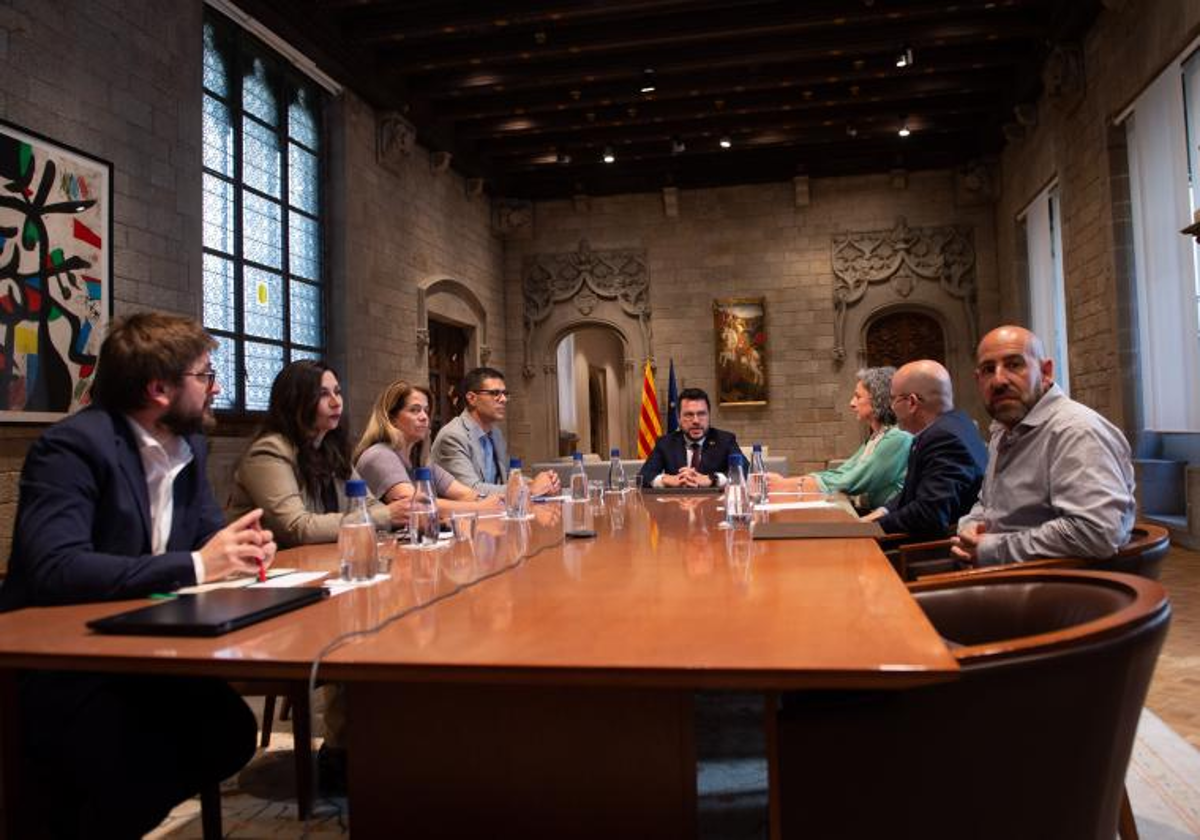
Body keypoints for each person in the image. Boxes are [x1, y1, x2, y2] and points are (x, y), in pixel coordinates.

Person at [0, 311, 274, 836]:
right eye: (205, 376)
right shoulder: (73, 447)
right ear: (159, 389)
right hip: (61, 659)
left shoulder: (189, 445)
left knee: (230, 731)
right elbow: (56, 567)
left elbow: (208, 539)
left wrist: (243, 548)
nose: (215, 389)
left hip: (144, 644)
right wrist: (200, 564)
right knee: (130, 757)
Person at [952, 325, 1135, 565]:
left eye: (1014, 364)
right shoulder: (1004, 430)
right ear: (978, 380)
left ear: (1046, 372)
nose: (998, 380)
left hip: (1058, 591)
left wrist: (992, 548)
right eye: (988, 369)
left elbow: (1096, 532)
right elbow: (988, 504)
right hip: (1005, 578)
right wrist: (970, 526)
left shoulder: (1075, 431)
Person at [226, 359, 408, 547]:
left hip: (314, 562)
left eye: (337, 392)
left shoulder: (331, 449)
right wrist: (388, 515)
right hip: (267, 568)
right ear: (295, 401)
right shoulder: (269, 452)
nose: (335, 402)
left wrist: (396, 513)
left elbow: (367, 505)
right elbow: (297, 528)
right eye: (323, 394)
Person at [863, 360, 987, 538]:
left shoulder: (942, 438)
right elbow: (913, 494)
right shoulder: (955, 424)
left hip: (931, 551)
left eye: (893, 399)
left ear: (912, 402)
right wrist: (883, 511)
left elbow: (929, 515)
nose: (891, 407)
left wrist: (870, 528)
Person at [355, 378, 505, 515]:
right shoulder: (379, 455)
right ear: (391, 418)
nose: (424, 417)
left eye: (426, 410)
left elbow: (464, 494)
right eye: (414, 410)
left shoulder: (419, 460)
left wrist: (499, 499)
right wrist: (482, 507)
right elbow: (417, 506)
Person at [768, 367, 911, 509]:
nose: (852, 403)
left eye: (858, 397)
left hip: (888, 525)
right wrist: (795, 483)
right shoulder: (877, 436)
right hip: (868, 514)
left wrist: (786, 484)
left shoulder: (897, 438)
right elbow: (842, 472)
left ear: (878, 401)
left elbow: (849, 481)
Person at [431, 366, 560, 498]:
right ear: (471, 398)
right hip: (461, 516)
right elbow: (472, 490)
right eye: (495, 393)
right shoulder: (453, 436)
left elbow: (510, 478)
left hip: (494, 512)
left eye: (505, 394)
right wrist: (530, 488)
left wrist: (544, 483)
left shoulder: (496, 433)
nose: (503, 399)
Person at [638, 387, 741, 488]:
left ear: (709, 416)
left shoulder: (725, 440)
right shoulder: (665, 443)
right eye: (689, 415)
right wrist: (666, 480)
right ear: (679, 418)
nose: (696, 421)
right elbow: (643, 477)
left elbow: (744, 471)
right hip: (677, 503)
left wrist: (713, 479)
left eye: (701, 414)